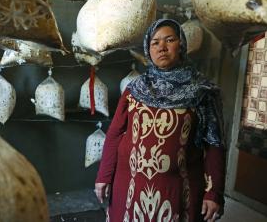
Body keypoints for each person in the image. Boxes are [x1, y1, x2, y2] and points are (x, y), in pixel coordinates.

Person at [95, 19, 226, 222]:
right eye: (155, 43)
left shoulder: (202, 92)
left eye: (169, 40)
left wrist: (214, 192)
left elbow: (215, 144)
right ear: (148, 49)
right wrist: (103, 176)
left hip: (178, 192)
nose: (161, 48)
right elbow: (114, 134)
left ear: (181, 44)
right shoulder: (135, 89)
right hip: (129, 187)